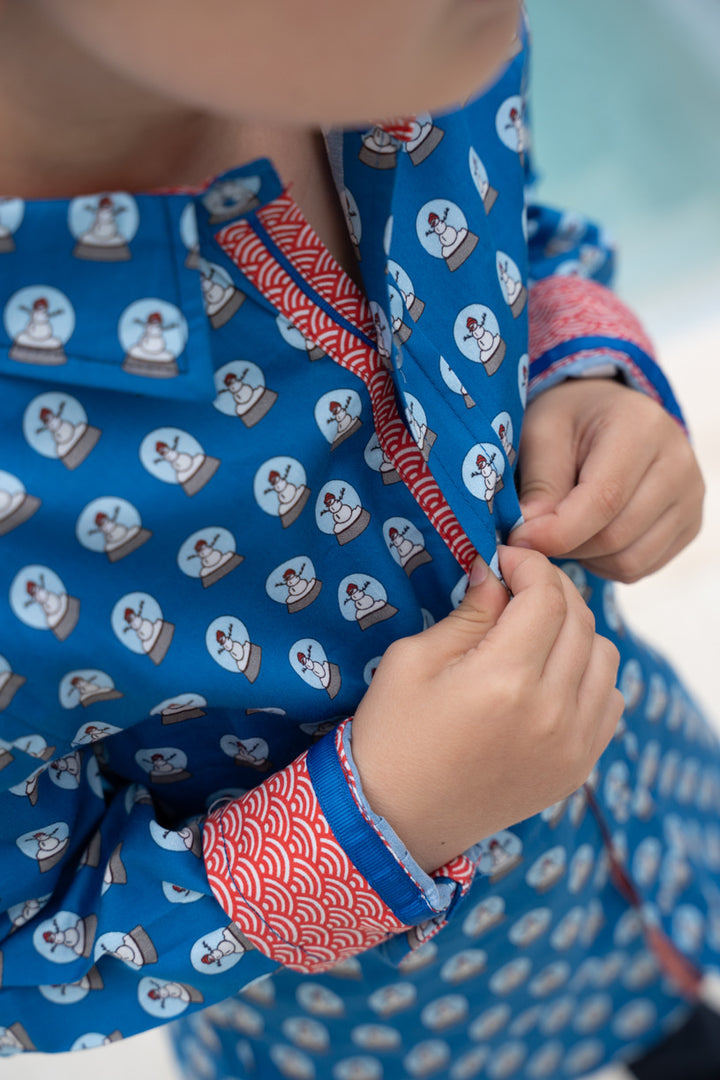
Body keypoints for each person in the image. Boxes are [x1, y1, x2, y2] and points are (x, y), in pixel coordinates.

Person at [0, 1, 716, 1078]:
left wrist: (588, 367)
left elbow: (519, 233)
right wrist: (374, 816)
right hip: (371, 1035)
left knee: (669, 1013)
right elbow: (25, 951)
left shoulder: (414, 56)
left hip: (637, 818)